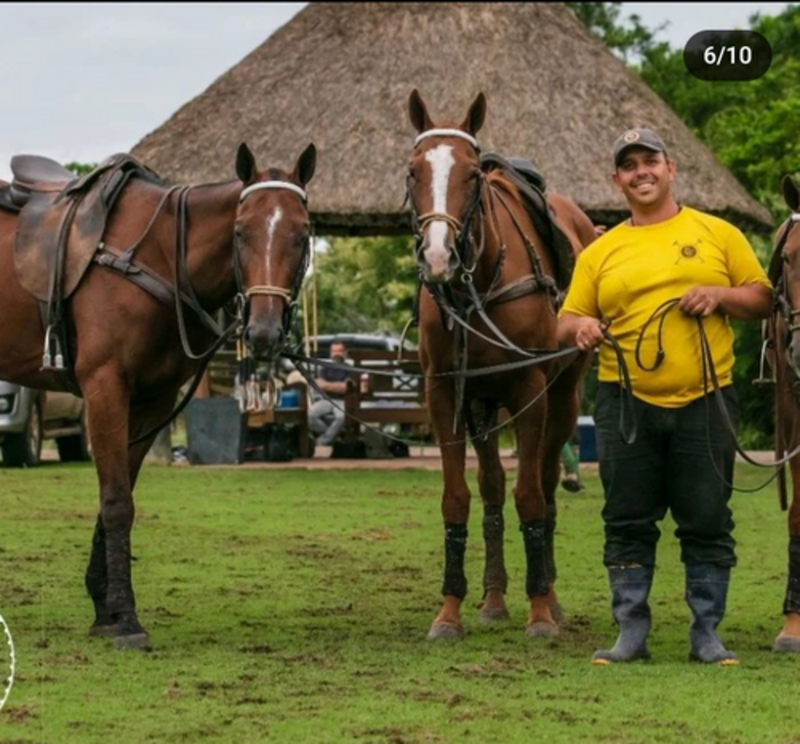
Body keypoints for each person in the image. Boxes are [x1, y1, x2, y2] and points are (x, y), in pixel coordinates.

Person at [557, 128, 773, 665]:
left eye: (649, 160)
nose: (641, 171)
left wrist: (719, 294)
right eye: (628, 165)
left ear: (671, 168)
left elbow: (762, 297)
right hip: (624, 403)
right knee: (626, 517)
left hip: (707, 400)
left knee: (707, 517)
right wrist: (581, 327)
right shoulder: (601, 252)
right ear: (617, 180)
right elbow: (563, 321)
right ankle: (630, 630)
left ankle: (707, 631)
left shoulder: (717, 233)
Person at [308, 341, 351, 447]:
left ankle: (323, 441)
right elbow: (319, 385)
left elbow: (345, 388)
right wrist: (338, 385)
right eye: (334, 351)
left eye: (339, 351)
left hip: (342, 400)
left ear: (345, 353)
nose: (336, 353)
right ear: (330, 353)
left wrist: (328, 385)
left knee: (342, 417)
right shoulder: (325, 368)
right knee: (308, 415)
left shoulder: (350, 369)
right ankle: (335, 437)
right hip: (325, 400)